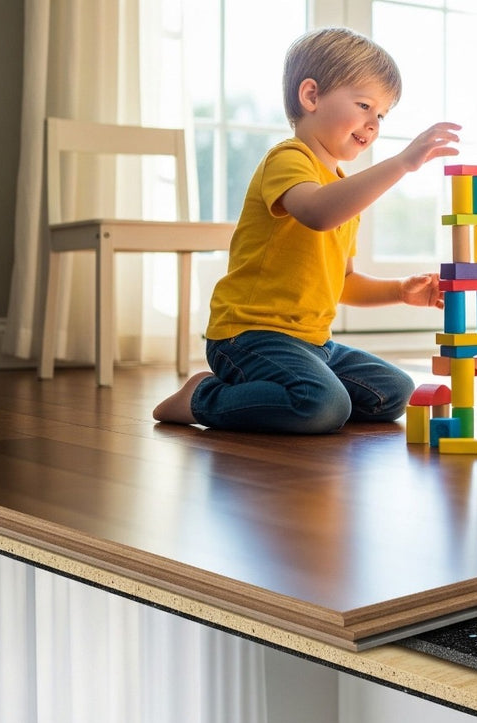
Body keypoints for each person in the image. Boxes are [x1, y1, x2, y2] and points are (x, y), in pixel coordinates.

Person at [153, 27, 460, 433]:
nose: (373, 124)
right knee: (322, 405)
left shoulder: (343, 189)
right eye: (365, 105)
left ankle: (288, 392)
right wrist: (403, 163)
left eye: (381, 115)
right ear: (311, 96)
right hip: (247, 336)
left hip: (314, 343)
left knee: (395, 391)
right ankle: (202, 397)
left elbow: (343, 282)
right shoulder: (288, 159)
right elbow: (316, 213)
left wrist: (400, 290)